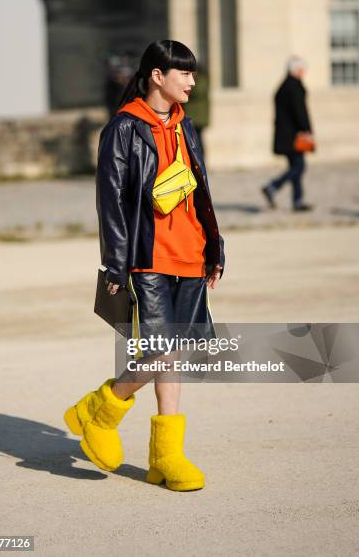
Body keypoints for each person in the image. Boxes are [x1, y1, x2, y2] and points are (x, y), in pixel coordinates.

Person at [63, 40, 225, 492]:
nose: (192, 81)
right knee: (158, 350)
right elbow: (110, 200)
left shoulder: (185, 126)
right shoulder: (124, 129)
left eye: (192, 73)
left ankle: (165, 457)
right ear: (157, 76)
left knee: (175, 352)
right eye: (184, 73)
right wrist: (116, 263)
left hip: (190, 254)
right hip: (146, 257)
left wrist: (214, 248)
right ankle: (102, 411)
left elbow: (201, 193)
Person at [261, 56, 315, 212]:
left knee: (296, 166)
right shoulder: (294, 86)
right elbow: (300, 111)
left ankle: (297, 200)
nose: (304, 73)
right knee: (299, 166)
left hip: (285, 134)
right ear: (296, 70)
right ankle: (273, 186)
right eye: (302, 70)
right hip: (293, 135)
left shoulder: (284, 86)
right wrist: (307, 130)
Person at [185, 64, 210, 161]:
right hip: (193, 117)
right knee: (194, 140)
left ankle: (201, 160)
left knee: (198, 140)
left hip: (198, 118)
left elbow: (197, 92)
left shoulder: (201, 80)